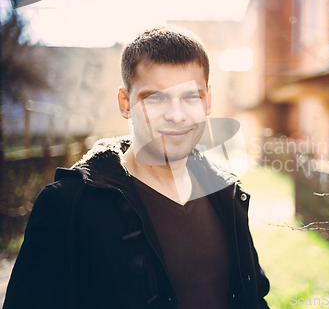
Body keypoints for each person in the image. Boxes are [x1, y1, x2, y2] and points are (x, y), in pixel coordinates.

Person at [3, 25, 270, 309]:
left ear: (208, 101)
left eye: (191, 96)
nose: (176, 115)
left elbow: (253, 296)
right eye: (155, 97)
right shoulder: (67, 204)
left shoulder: (226, 193)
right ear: (125, 103)